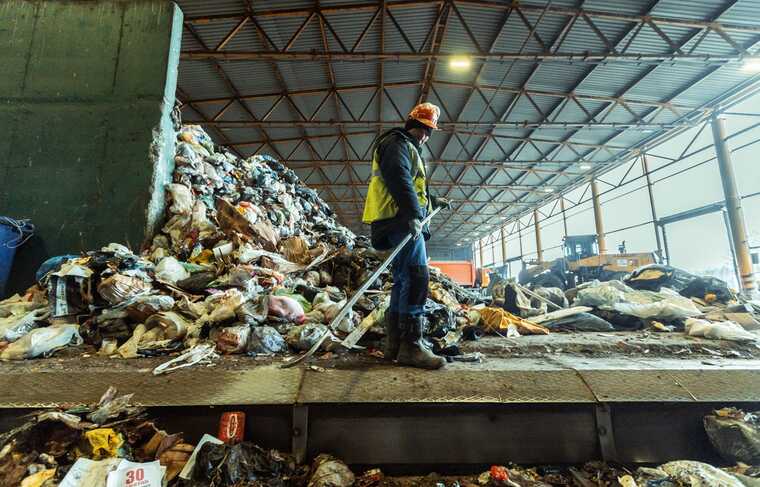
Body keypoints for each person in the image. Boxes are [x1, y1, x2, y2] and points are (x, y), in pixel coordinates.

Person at [362, 102, 451, 370]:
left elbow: (411, 185)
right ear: (412, 125)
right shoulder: (397, 143)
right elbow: (398, 178)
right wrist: (413, 214)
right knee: (416, 277)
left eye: (428, 131)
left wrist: (433, 201)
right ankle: (412, 346)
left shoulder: (404, 147)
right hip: (400, 220)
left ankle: (395, 344)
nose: (425, 135)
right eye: (423, 129)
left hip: (398, 219)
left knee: (403, 280)